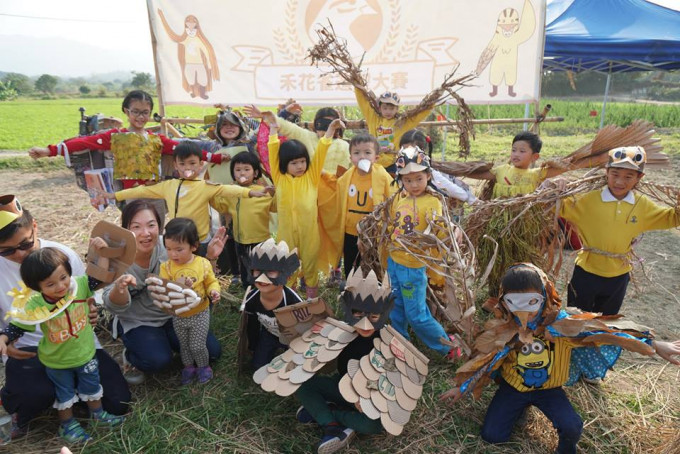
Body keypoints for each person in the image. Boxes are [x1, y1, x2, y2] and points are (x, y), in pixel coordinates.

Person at [440, 263, 680, 454]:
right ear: (504, 301)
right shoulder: (504, 329)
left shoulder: (563, 324)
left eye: (532, 301)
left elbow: (607, 332)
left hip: (550, 389)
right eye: (515, 302)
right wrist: (461, 388)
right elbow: (486, 361)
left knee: (572, 427)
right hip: (513, 388)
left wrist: (654, 345)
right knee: (492, 436)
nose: (524, 309)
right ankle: (520, 410)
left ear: (545, 296)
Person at [0, 196, 130, 439]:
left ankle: (77, 399)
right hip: (30, 350)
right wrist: (5, 342)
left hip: (78, 345)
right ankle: (44, 404)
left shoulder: (62, 256)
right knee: (33, 396)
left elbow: (88, 289)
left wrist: (91, 309)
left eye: (25, 244)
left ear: (35, 227)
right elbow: (13, 327)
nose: (19, 255)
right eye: (6, 250)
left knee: (118, 402)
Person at [102, 200, 225, 384]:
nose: (145, 233)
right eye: (136, 227)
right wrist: (120, 288)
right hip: (139, 321)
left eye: (151, 225)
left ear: (159, 226)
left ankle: (166, 343)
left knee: (212, 353)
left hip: (173, 315)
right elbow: (110, 304)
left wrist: (211, 258)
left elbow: (198, 272)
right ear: (126, 229)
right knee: (158, 361)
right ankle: (132, 354)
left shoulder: (169, 246)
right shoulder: (117, 258)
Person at [558, 146, 680, 315]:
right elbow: (555, 206)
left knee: (607, 322)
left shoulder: (642, 205)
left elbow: (672, 218)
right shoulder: (588, 200)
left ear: (639, 177)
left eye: (628, 176)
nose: (620, 182)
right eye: (615, 174)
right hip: (586, 272)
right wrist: (554, 186)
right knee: (576, 319)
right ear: (606, 172)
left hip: (619, 276)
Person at [28, 90, 227, 191]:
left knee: (154, 228)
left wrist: (215, 158)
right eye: (136, 112)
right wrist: (49, 150)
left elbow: (185, 149)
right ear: (126, 111)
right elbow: (84, 142)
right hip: (127, 193)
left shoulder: (157, 139)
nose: (140, 117)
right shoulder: (115, 137)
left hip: (154, 190)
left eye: (145, 113)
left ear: (150, 114)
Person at [294, 268, 393, 454]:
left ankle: (328, 416)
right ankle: (332, 424)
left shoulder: (388, 340)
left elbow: (391, 379)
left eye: (373, 317)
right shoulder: (342, 331)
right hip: (342, 385)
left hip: (371, 397)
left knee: (375, 425)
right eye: (358, 315)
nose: (366, 323)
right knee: (304, 385)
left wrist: (365, 397)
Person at [103, 141, 268, 253]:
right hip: (177, 240)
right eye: (182, 164)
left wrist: (251, 192)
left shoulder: (206, 186)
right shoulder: (168, 186)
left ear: (200, 164)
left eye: (192, 163)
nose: (187, 168)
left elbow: (229, 190)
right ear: (175, 165)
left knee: (203, 270)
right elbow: (139, 191)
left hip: (201, 240)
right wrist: (114, 195)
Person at [384, 146, 459, 357]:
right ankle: (400, 345)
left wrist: (450, 231)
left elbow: (439, 230)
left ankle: (447, 347)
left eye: (418, 178)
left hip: (412, 267)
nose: (413, 185)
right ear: (401, 180)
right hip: (395, 262)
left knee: (416, 314)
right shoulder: (400, 199)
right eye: (407, 180)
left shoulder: (433, 201)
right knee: (396, 307)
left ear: (428, 175)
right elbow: (393, 225)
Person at [266, 112, 344, 299]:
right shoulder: (280, 178)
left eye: (302, 161)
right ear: (284, 165)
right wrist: (273, 130)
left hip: (310, 234)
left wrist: (330, 132)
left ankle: (311, 300)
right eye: (294, 163)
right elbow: (272, 152)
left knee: (310, 266)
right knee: (288, 267)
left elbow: (320, 154)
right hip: (286, 236)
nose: (300, 166)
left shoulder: (311, 176)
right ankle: (290, 298)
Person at [159, 218, 220, 385]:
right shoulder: (166, 267)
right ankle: (188, 367)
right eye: (168, 249)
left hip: (199, 312)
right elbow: (166, 289)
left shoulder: (203, 264)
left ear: (194, 246)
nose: (173, 254)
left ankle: (203, 367)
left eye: (179, 249)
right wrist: (179, 286)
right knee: (184, 345)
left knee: (197, 345)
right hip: (178, 315)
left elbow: (211, 282)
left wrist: (214, 291)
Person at [328, 133, 394, 278]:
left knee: (372, 262)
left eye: (367, 152)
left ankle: (373, 290)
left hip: (372, 232)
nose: (362, 156)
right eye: (357, 153)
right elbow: (336, 194)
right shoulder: (346, 177)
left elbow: (393, 197)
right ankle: (352, 290)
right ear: (351, 157)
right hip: (350, 231)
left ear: (376, 158)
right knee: (351, 263)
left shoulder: (382, 176)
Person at [211, 151, 276, 288]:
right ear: (233, 173)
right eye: (238, 170)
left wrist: (275, 194)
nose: (242, 173)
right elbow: (222, 207)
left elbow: (275, 207)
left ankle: (262, 290)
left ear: (256, 173)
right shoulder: (232, 192)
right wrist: (211, 195)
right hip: (240, 240)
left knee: (261, 268)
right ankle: (248, 289)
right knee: (245, 266)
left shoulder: (263, 191)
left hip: (261, 239)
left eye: (247, 169)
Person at [241, 239, 302, 369]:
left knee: (293, 368)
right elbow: (252, 325)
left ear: (286, 275)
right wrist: (252, 346)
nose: (262, 278)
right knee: (258, 366)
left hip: (292, 338)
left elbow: (304, 326)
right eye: (257, 271)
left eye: (270, 272)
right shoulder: (251, 300)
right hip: (268, 335)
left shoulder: (294, 302)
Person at [245, 104, 350, 175]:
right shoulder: (306, 136)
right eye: (321, 123)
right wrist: (265, 117)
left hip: (334, 192)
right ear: (316, 123)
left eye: (330, 124)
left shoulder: (345, 146)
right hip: (308, 189)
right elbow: (286, 126)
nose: (326, 128)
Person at [354, 90, 434, 172]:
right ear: (379, 108)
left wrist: (433, 101)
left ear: (397, 109)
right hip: (374, 162)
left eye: (392, 108)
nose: (388, 111)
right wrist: (356, 86)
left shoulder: (402, 123)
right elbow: (363, 103)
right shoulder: (373, 120)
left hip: (393, 164)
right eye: (385, 108)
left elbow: (419, 115)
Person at [468, 131, 564, 198]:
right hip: (499, 220)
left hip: (525, 221)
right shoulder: (502, 170)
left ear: (534, 157)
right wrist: (457, 171)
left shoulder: (537, 174)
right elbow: (477, 174)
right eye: (513, 150)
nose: (516, 154)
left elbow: (568, 167)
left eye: (522, 151)